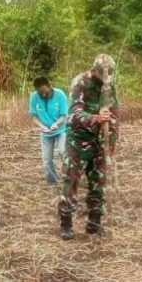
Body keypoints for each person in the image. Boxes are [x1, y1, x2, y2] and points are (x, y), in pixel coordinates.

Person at [57, 54, 119, 240]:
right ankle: (66, 223)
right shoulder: (80, 83)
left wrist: (112, 138)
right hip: (77, 140)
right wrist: (95, 118)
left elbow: (114, 113)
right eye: (102, 76)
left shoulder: (109, 86)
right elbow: (74, 114)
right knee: (71, 180)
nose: (105, 80)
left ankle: (94, 223)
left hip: (98, 140)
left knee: (98, 181)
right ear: (94, 71)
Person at [28, 76, 68, 186]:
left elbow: (63, 115)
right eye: (40, 91)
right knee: (47, 158)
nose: (43, 93)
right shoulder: (34, 97)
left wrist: (56, 124)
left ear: (49, 86)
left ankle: (68, 177)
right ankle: (51, 181)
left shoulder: (60, 95)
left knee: (63, 151)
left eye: (44, 90)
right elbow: (34, 117)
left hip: (61, 129)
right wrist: (41, 126)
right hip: (45, 131)